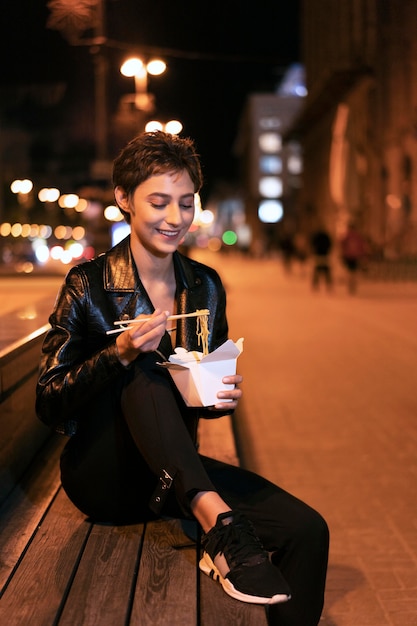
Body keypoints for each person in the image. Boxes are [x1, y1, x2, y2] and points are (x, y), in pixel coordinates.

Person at [36, 131, 329, 625]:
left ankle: (220, 529)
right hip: (105, 478)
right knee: (141, 364)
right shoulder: (88, 285)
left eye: (186, 202)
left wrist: (217, 396)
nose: (175, 219)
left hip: (175, 477)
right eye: (159, 201)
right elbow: (48, 400)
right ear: (125, 199)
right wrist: (118, 354)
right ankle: (219, 528)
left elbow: (200, 399)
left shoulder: (205, 285)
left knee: (308, 530)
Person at [339, 221, 368, 294]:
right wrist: (363, 255)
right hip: (356, 256)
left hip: (347, 256)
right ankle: (353, 285)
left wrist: (342, 254)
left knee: (349, 271)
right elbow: (362, 246)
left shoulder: (346, 236)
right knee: (354, 271)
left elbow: (341, 245)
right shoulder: (358, 236)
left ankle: (350, 285)